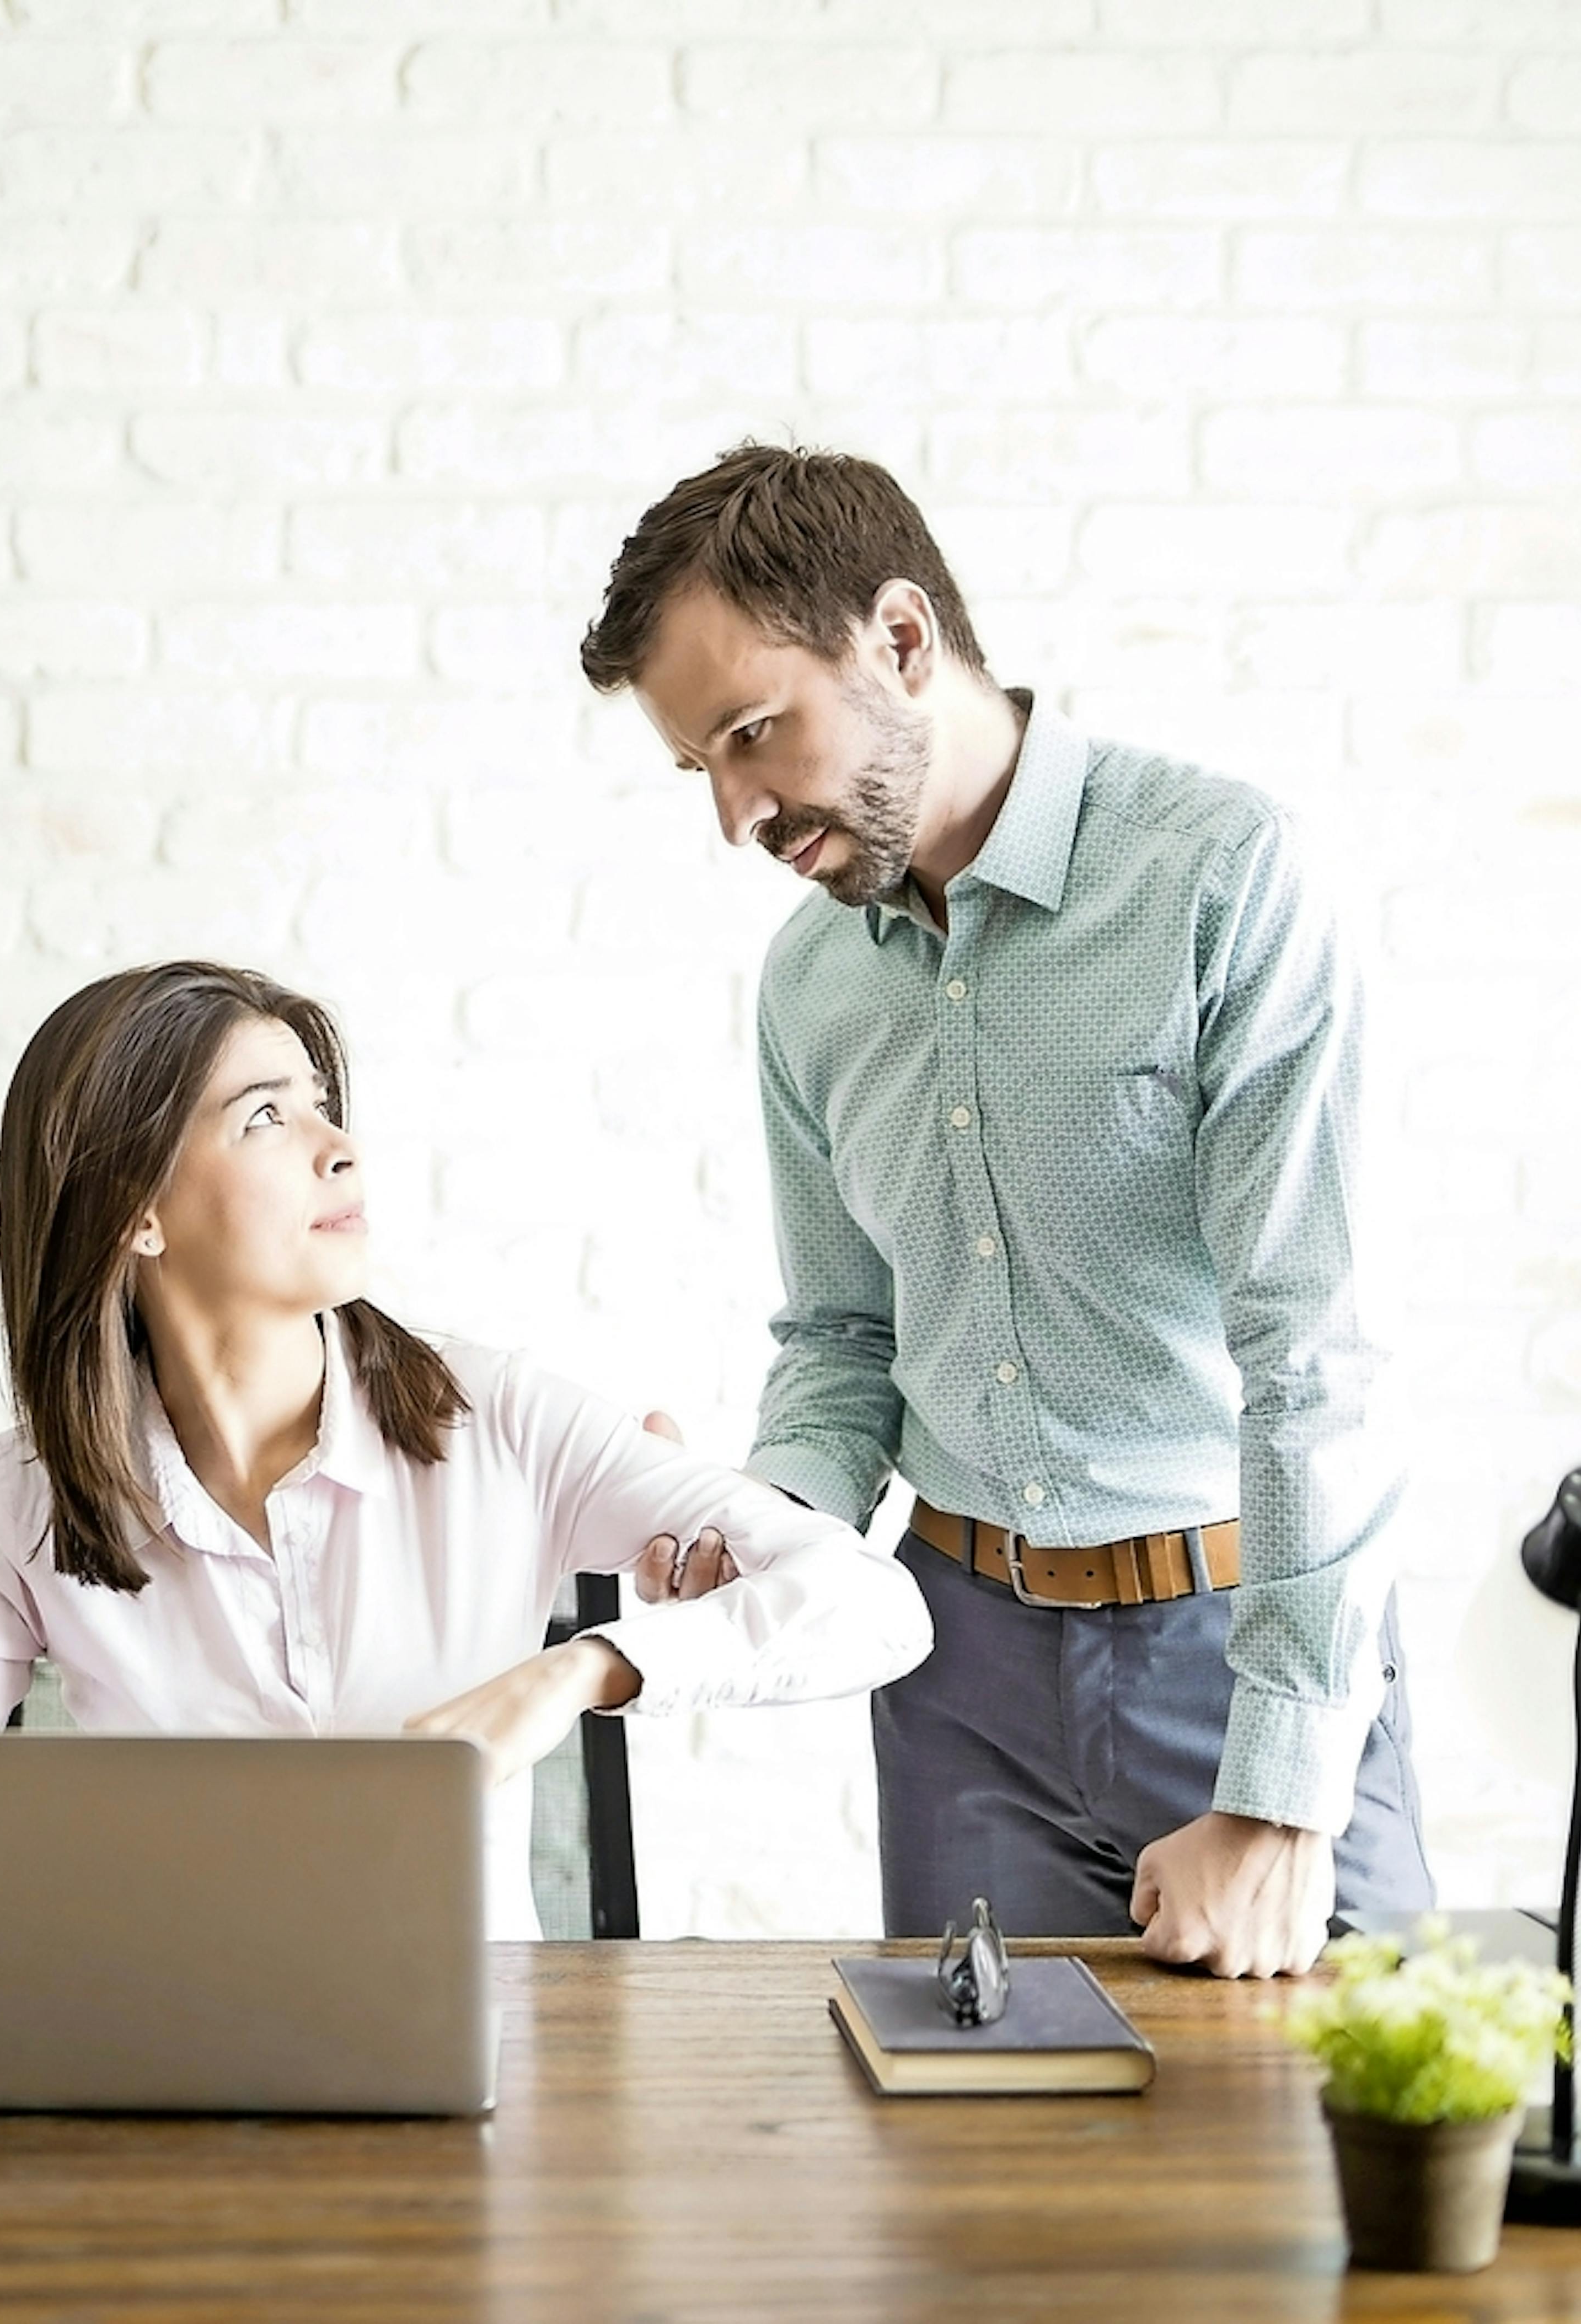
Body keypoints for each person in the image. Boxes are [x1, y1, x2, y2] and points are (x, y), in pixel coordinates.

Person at [578, 444, 1434, 1979]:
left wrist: (1286, 1799)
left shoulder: (1220, 877)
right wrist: (758, 1526)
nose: (736, 816)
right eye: (701, 766)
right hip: (953, 1668)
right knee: (985, 2198)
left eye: (754, 734)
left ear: (900, 641)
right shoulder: (809, 985)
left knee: (1327, 2180)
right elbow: (843, 1341)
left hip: (1242, 1635)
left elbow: (1315, 1354)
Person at [0, 960, 931, 1964]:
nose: (341, 1150)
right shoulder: (24, 1498)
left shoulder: (497, 1417)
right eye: (266, 1117)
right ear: (137, 1211)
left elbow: (876, 1608)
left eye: (324, 1107)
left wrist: (576, 1672)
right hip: (168, 2079)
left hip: (483, 2088)